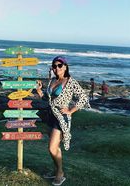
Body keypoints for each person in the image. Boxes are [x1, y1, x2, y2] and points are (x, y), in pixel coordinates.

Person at [36, 56, 90, 186]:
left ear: (65, 66)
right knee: (55, 148)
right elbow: (48, 100)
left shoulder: (70, 82)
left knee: (52, 148)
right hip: (50, 116)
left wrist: (71, 110)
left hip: (61, 118)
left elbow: (83, 98)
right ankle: (56, 170)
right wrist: (39, 91)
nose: (56, 68)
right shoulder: (52, 80)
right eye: (54, 66)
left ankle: (60, 172)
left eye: (59, 65)